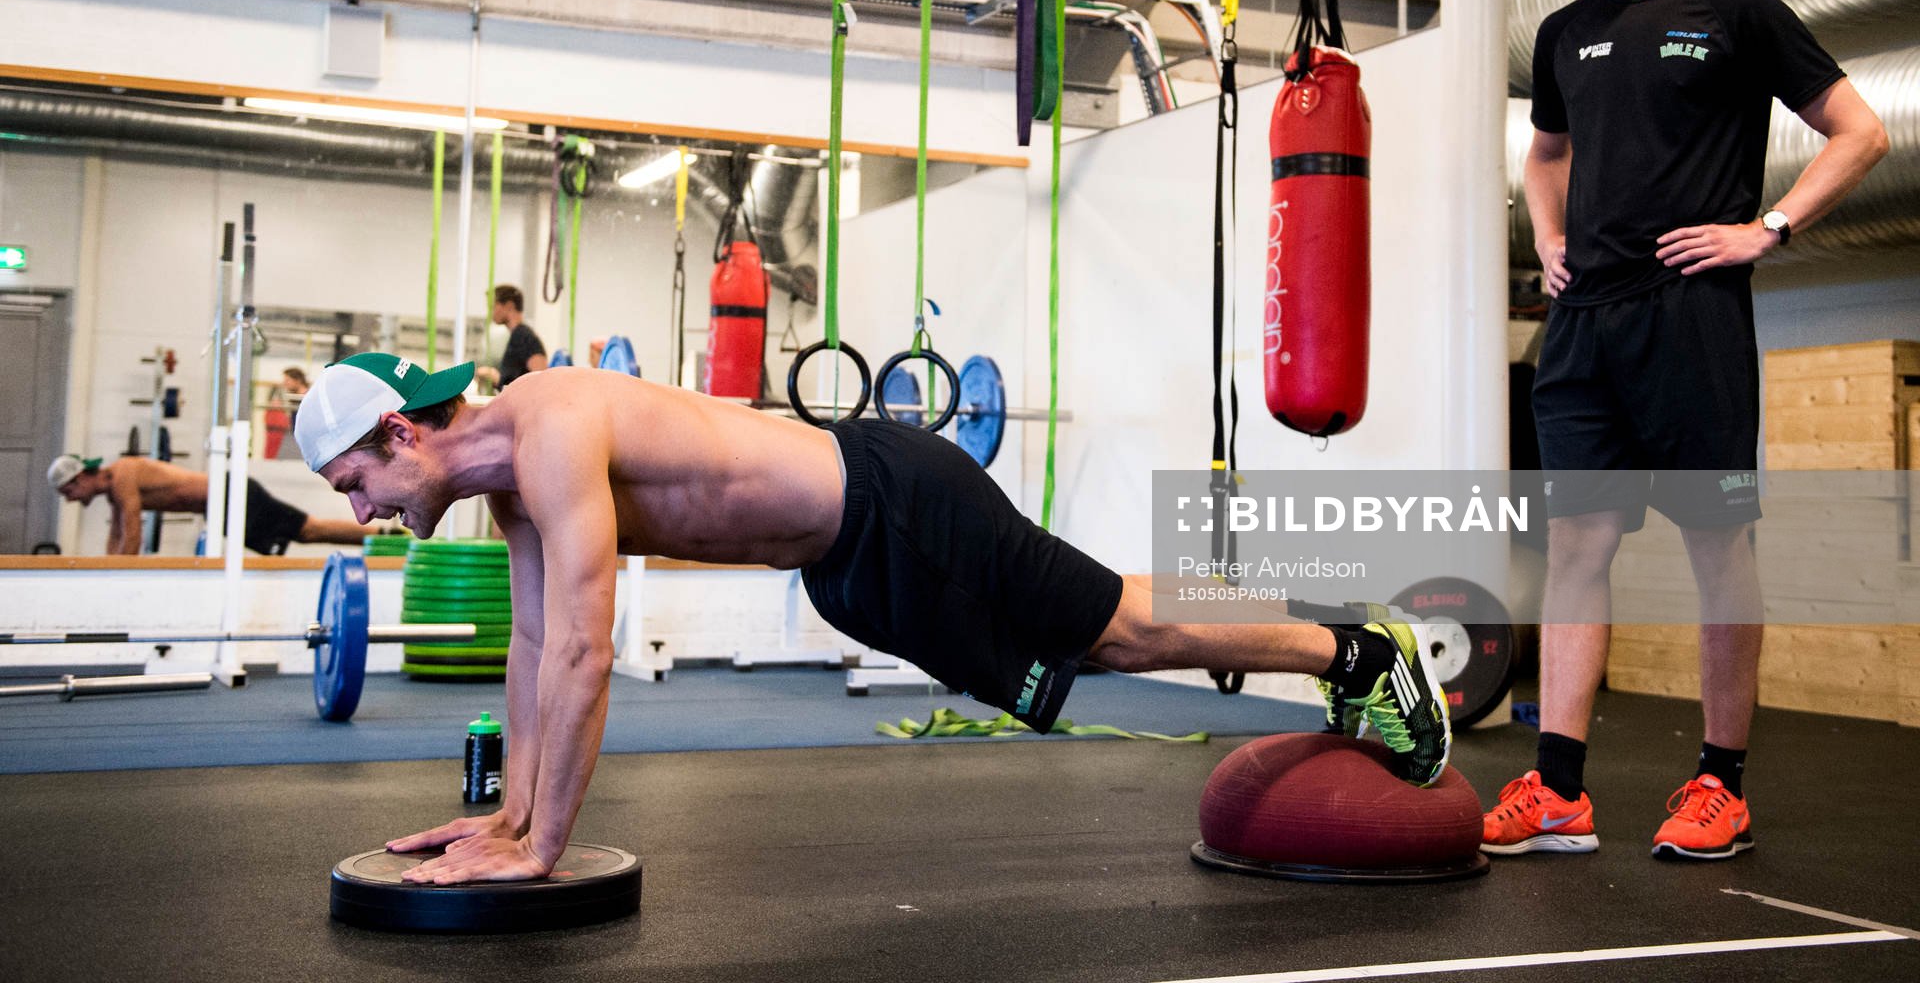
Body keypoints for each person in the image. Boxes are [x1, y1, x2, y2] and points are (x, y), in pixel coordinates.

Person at [294, 353, 1452, 885]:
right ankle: (1342, 640)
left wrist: (544, 848)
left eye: (356, 482)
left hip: (900, 497)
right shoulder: (508, 492)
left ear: (403, 433)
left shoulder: (549, 429)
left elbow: (589, 650)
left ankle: (1357, 646)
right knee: (1106, 635)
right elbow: (537, 649)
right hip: (854, 561)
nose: (366, 512)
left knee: (1118, 631)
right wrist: (506, 812)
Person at [1488, 0, 1888, 862]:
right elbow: (1546, 155)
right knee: (1577, 542)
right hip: (1584, 323)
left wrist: (1770, 228)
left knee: (1718, 542)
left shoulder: (1734, 11)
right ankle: (1562, 788)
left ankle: (1722, 782)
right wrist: (1547, 233)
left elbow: (1860, 130)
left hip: (1692, 313)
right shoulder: (1567, 32)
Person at [47, 453, 389, 556]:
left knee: (307, 530)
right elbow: (118, 534)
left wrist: (123, 574)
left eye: (68, 493)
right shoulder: (113, 491)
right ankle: (383, 537)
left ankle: (386, 537)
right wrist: (108, 570)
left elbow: (133, 531)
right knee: (307, 533)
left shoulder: (122, 474)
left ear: (79, 479)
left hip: (230, 494)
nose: (71, 501)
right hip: (221, 507)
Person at [475, 285, 547, 390]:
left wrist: (495, 376)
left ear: (509, 306)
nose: (490, 313)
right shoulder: (515, 336)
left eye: (492, 307)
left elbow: (541, 380)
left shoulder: (524, 337)